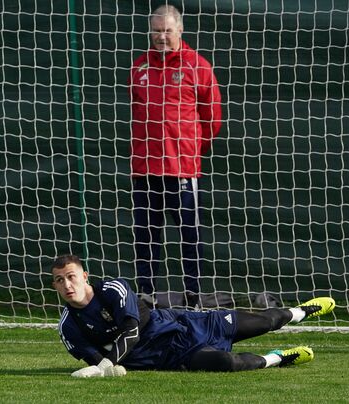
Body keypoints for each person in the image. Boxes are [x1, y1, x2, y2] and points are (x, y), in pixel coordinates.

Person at [52, 254, 336, 377]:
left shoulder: (112, 289)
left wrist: (108, 363)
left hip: (187, 325)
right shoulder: (68, 326)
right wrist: (107, 368)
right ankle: (278, 358)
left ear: (85, 276)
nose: (66, 285)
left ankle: (300, 311)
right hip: (171, 357)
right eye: (59, 280)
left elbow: (131, 330)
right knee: (227, 363)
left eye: (71, 277)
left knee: (266, 321)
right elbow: (93, 361)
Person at [128, 5, 223, 308]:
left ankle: (193, 296)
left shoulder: (198, 66)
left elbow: (212, 119)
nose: (161, 36)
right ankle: (146, 296)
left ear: (180, 31)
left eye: (167, 30)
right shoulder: (139, 67)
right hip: (145, 170)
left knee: (190, 236)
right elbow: (137, 115)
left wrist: (192, 151)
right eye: (156, 30)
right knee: (146, 237)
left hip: (183, 169)